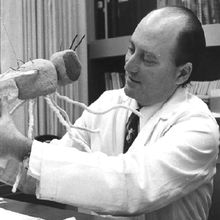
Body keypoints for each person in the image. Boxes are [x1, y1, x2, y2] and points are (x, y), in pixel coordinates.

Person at [0, 6, 219, 220]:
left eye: (148, 59)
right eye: (132, 49)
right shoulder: (108, 102)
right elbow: (46, 171)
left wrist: (19, 145)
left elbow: (132, 186)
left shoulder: (199, 127)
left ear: (182, 73)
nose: (130, 65)